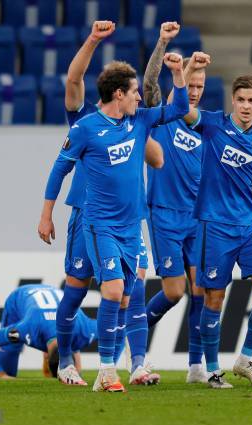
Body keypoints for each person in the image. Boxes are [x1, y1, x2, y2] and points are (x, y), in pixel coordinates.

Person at [40, 54, 189, 392]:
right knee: (96, 290)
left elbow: (179, 108)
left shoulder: (138, 123)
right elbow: (58, 169)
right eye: (135, 91)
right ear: (118, 94)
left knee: (127, 294)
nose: (140, 97)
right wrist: (46, 214)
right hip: (96, 222)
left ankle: (133, 363)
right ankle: (89, 366)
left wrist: (178, 71)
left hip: (131, 225)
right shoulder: (85, 126)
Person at [183, 59, 252, 388]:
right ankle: (213, 371)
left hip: (249, 226)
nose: (245, 105)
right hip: (214, 226)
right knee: (214, 299)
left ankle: (245, 358)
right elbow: (179, 106)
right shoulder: (212, 125)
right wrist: (185, 72)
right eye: (240, 99)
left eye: (251, 100)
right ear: (233, 100)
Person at [144, 40, 209, 382]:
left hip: (195, 219)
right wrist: (183, 69)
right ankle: (134, 336)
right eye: (191, 85)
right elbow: (171, 97)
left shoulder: (205, 127)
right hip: (165, 215)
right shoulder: (165, 118)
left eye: (200, 86)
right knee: (174, 291)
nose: (194, 92)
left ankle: (196, 366)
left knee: (201, 289)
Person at [0, 285, 96, 380]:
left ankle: (62, 360)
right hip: (20, 298)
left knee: (71, 347)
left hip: (53, 303)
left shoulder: (85, 329)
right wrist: (0, 374)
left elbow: (114, 329)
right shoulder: (26, 329)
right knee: (9, 371)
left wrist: (107, 369)